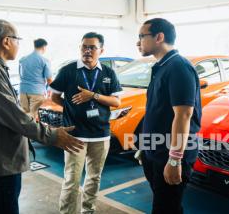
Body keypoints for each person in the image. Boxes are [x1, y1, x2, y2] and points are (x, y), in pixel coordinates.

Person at [0, 19, 84, 214]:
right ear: (6, 41)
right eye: (17, 39)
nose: (19, 44)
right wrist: (52, 135)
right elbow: (13, 116)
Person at [50, 32, 122, 214]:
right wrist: (71, 109)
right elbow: (55, 96)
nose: (87, 51)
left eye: (92, 47)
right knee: (71, 180)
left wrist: (93, 96)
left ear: (101, 50)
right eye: (84, 46)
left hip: (101, 134)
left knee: (94, 178)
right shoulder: (68, 70)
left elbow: (116, 102)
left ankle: (88, 210)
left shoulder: (108, 73)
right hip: (75, 135)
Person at [136, 18, 201, 214]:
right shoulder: (161, 66)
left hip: (169, 154)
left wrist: (175, 159)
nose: (138, 42)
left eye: (141, 36)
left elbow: (183, 115)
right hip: (155, 150)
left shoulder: (178, 67)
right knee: (167, 205)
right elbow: (157, 111)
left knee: (165, 209)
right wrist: (144, 145)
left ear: (159, 37)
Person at [19, 38, 53, 120]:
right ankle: (32, 133)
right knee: (34, 117)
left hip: (23, 91)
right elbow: (49, 80)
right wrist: (52, 92)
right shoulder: (44, 61)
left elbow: (20, 75)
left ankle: (24, 133)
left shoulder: (23, 59)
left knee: (24, 116)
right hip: (36, 92)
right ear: (44, 47)